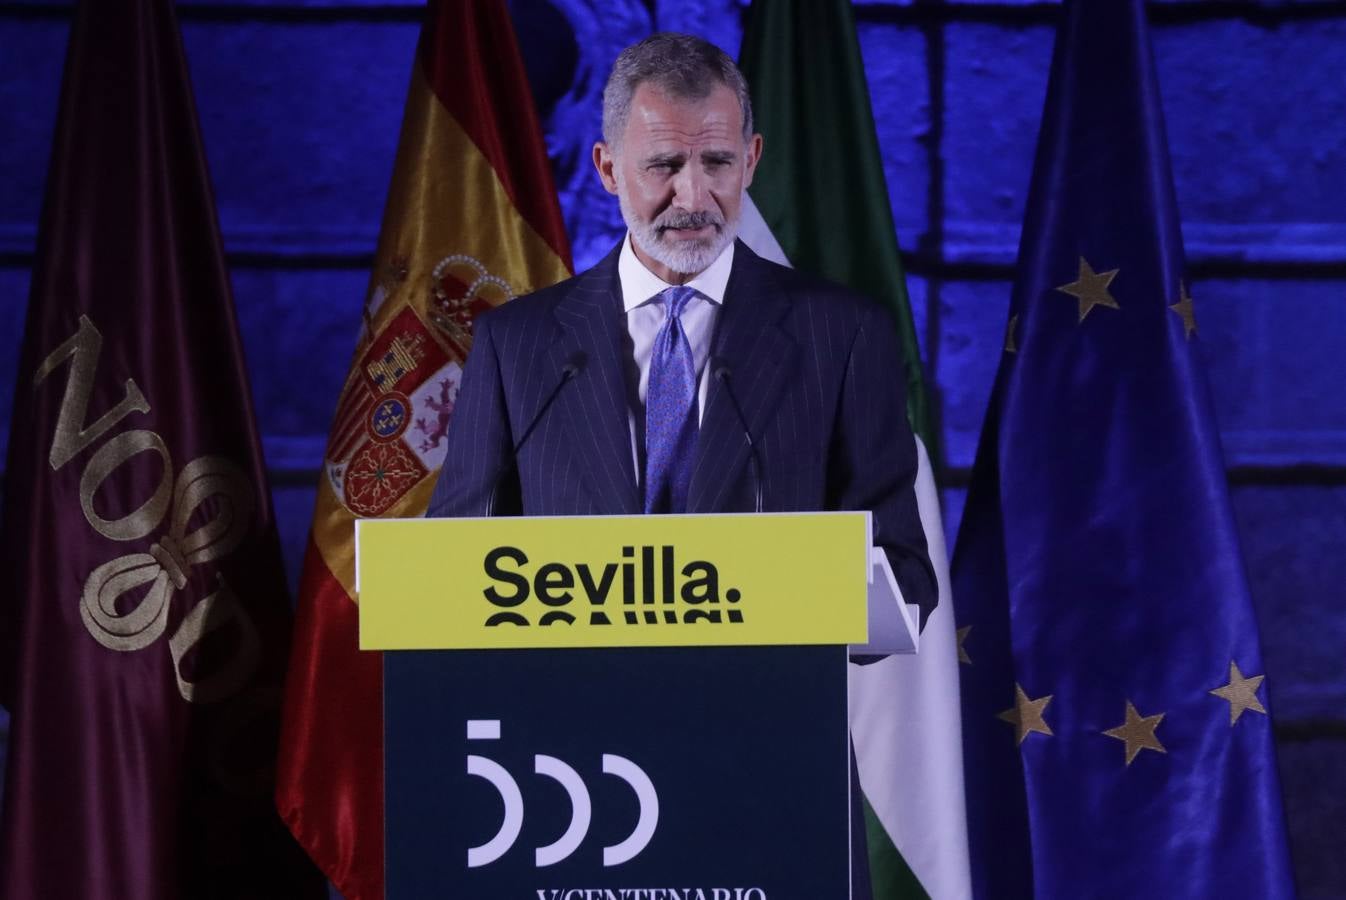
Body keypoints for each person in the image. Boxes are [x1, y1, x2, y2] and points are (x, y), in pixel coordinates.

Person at [427, 31, 936, 625]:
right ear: (609, 168)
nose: (692, 195)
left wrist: (778, 599)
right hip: (576, 710)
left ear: (751, 161)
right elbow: (452, 571)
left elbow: (904, 575)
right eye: (664, 165)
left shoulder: (844, 336)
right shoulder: (514, 344)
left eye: (717, 162)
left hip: (769, 708)